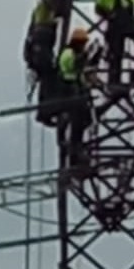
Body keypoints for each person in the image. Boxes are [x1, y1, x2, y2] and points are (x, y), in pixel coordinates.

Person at [25, 0, 67, 122]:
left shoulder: (41, 10)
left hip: (39, 50)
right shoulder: (44, 8)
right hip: (40, 49)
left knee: (49, 77)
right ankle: (47, 109)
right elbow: (55, 5)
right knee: (50, 77)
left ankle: (49, 108)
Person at [57, 26, 97, 167]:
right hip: (70, 91)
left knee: (82, 122)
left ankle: (76, 152)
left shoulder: (70, 53)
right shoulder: (68, 54)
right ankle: (75, 154)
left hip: (74, 90)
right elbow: (73, 68)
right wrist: (85, 58)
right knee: (77, 124)